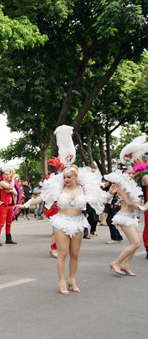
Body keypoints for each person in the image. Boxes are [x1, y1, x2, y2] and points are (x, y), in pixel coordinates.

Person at [16, 126, 111, 294]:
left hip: (79, 222)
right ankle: (61, 281)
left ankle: (72, 281)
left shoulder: (84, 189)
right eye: (64, 177)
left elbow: (100, 199)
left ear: (76, 177)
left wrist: (110, 192)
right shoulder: (58, 188)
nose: (66, 179)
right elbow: (43, 197)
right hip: (61, 222)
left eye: (69, 177)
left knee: (75, 255)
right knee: (62, 254)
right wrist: (26, 205)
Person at [104, 137, 148, 276]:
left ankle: (126, 265)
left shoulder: (130, 184)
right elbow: (128, 203)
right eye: (129, 173)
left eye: (132, 172)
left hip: (131, 216)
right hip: (124, 217)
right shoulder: (121, 185)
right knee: (135, 244)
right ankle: (116, 263)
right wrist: (144, 207)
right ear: (122, 174)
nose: (132, 175)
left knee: (135, 243)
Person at [0, 168, 18, 245]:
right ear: (3, 175)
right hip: (3, 205)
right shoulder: (1, 183)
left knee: (9, 222)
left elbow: (15, 193)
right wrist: (13, 180)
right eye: (6, 174)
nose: (8, 176)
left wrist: (10, 189)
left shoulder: (9, 183)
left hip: (10, 206)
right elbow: (11, 188)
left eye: (9, 174)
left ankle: (8, 238)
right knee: (2, 223)